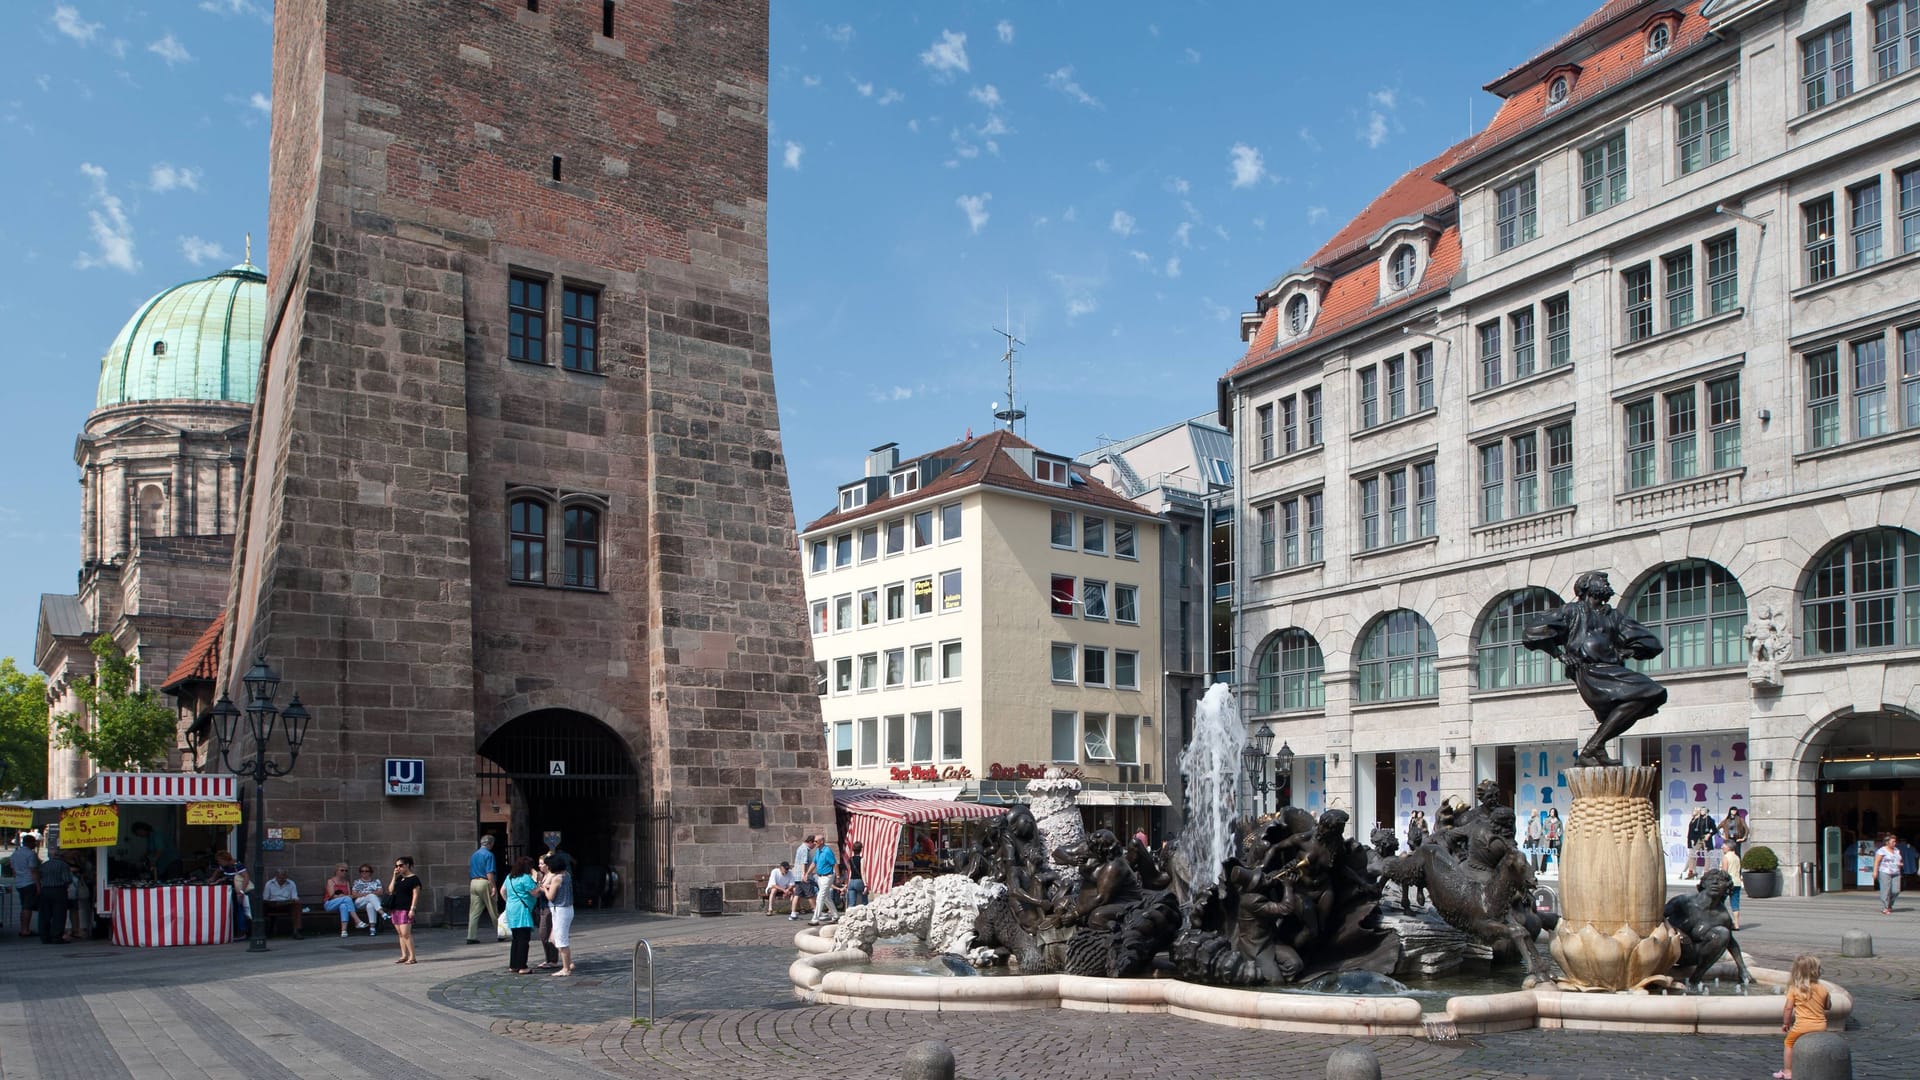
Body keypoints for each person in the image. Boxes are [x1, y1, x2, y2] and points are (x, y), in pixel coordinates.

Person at [1522, 570, 1669, 766]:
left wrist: (1626, 651)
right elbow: (1532, 632)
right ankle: (1595, 747)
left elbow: (1650, 642)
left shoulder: (1613, 616)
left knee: (1650, 695)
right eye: (1601, 580)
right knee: (1648, 691)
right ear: (1586, 587)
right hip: (1589, 671)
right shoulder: (1572, 611)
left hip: (1611, 671)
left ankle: (1593, 747)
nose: (1606, 583)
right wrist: (1560, 655)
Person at [1777, 954, 1829, 1080]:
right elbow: (1828, 1006)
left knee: (1789, 1043)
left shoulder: (1794, 989)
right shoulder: (1823, 988)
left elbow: (1788, 1008)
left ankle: (1788, 1071)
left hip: (1802, 1027)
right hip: (1821, 1025)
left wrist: (1786, 1023)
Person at [541, 852, 575, 976]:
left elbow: (550, 896)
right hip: (566, 909)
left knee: (561, 941)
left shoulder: (556, 878)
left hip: (560, 910)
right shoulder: (566, 875)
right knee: (554, 939)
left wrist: (544, 888)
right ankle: (569, 963)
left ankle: (566, 969)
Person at [502, 856, 538, 974]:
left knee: (516, 938)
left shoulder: (509, 877)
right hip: (522, 909)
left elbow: (502, 890)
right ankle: (522, 966)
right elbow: (535, 893)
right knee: (523, 939)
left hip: (511, 908)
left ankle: (513, 965)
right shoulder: (525, 878)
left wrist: (509, 901)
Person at [207, 849, 252, 937]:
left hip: (239, 891)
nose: (219, 863)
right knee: (234, 910)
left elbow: (246, 878)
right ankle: (236, 930)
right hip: (231, 891)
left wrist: (241, 892)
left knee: (240, 910)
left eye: (220, 861)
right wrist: (213, 879)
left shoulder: (237, 865)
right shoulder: (224, 866)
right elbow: (218, 871)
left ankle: (242, 931)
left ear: (225, 859)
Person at [467, 835, 501, 945]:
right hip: (484, 882)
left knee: (474, 912)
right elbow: (489, 873)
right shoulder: (489, 855)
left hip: (473, 882)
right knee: (493, 909)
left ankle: (471, 936)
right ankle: (500, 933)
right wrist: (493, 887)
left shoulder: (474, 855)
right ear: (490, 844)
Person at [36, 845, 74, 944]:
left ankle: (44, 936)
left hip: (45, 890)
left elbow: (39, 876)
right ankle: (56, 936)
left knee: (45, 914)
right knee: (59, 914)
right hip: (59, 890)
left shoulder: (44, 865)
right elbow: (67, 879)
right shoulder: (63, 865)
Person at [387, 857, 421, 964]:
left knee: (406, 933)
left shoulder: (414, 879)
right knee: (400, 934)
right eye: (396, 866)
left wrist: (412, 909)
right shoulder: (399, 878)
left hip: (406, 908)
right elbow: (390, 890)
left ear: (407, 865)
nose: (398, 868)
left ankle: (412, 956)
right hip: (395, 908)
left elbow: (416, 895)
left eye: (401, 865)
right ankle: (404, 955)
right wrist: (394, 876)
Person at [533, 854, 560, 969]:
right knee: (544, 934)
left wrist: (542, 888)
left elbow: (546, 889)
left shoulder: (552, 875)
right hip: (542, 907)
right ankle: (549, 959)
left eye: (542, 863)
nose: (540, 866)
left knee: (545, 933)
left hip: (549, 907)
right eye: (539, 863)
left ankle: (553, 960)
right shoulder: (542, 875)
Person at [321, 863, 364, 935]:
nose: (344, 872)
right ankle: (357, 921)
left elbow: (349, 895)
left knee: (343, 906)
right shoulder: (331, 881)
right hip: (330, 903)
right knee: (346, 899)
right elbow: (332, 896)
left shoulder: (346, 882)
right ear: (336, 871)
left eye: (346, 871)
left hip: (342, 902)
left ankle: (344, 931)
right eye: (342, 870)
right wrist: (343, 896)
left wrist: (343, 896)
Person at [11, 834, 40, 937]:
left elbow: (13, 870)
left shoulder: (15, 854)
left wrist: (17, 880)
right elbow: (33, 871)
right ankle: (25, 929)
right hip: (29, 882)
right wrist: (38, 885)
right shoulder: (30, 854)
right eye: (34, 842)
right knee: (27, 907)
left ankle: (23, 928)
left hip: (20, 883)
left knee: (24, 905)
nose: (35, 844)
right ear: (30, 843)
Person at [262, 868, 304, 939]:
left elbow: (294, 897)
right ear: (276, 876)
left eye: (283, 877)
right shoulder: (269, 884)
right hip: (272, 905)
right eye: (279, 877)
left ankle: (296, 931)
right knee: (262, 906)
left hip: (286, 905)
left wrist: (295, 900)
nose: (281, 879)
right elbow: (265, 898)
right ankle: (262, 932)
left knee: (297, 905)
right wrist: (271, 902)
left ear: (286, 877)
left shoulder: (291, 883)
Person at [810, 839, 839, 925]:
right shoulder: (818, 851)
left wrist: (837, 876)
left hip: (828, 876)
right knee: (826, 898)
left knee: (820, 896)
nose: (814, 843)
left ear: (821, 841)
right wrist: (807, 873)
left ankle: (815, 919)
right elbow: (814, 863)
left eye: (816, 841)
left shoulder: (827, 851)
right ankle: (835, 915)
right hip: (820, 877)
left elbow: (835, 863)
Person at [351, 863, 385, 933]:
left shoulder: (376, 881)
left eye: (366, 871)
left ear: (370, 872)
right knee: (371, 896)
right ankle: (382, 912)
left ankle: (372, 928)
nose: (364, 873)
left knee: (370, 905)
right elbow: (354, 894)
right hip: (360, 902)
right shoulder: (357, 882)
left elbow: (380, 892)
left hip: (374, 902)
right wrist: (367, 894)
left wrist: (367, 894)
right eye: (362, 871)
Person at [1875, 833, 1904, 915]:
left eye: (1895, 841)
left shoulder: (1896, 850)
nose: (1895, 843)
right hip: (1885, 872)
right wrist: (1875, 872)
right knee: (1886, 890)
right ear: (1887, 842)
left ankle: (1890, 904)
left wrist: (1900, 863)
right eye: (1893, 842)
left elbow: (1899, 860)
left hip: (1896, 872)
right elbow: (1877, 861)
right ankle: (1885, 907)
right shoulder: (1882, 850)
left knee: (1896, 891)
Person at [1719, 844, 1745, 930]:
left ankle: (1722, 922)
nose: (1722, 847)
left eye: (1724, 846)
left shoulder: (1726, 857)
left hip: (1728, 883)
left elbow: (1724, 873)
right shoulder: (1736, 857)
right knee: (1735, 904)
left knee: (1720, 903)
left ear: (1729, 847)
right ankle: (1736, 924)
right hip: (1736, 882)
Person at [845, 840, 867, 908]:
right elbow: (862, 872)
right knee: (864, 901)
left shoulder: (850, 859)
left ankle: (849, 916)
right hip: (859, 881)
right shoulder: (861, 859)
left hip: (851, 881)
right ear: (861, 849)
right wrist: (866, 885)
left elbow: (850, 871)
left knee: (851, 903)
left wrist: (848, 882)